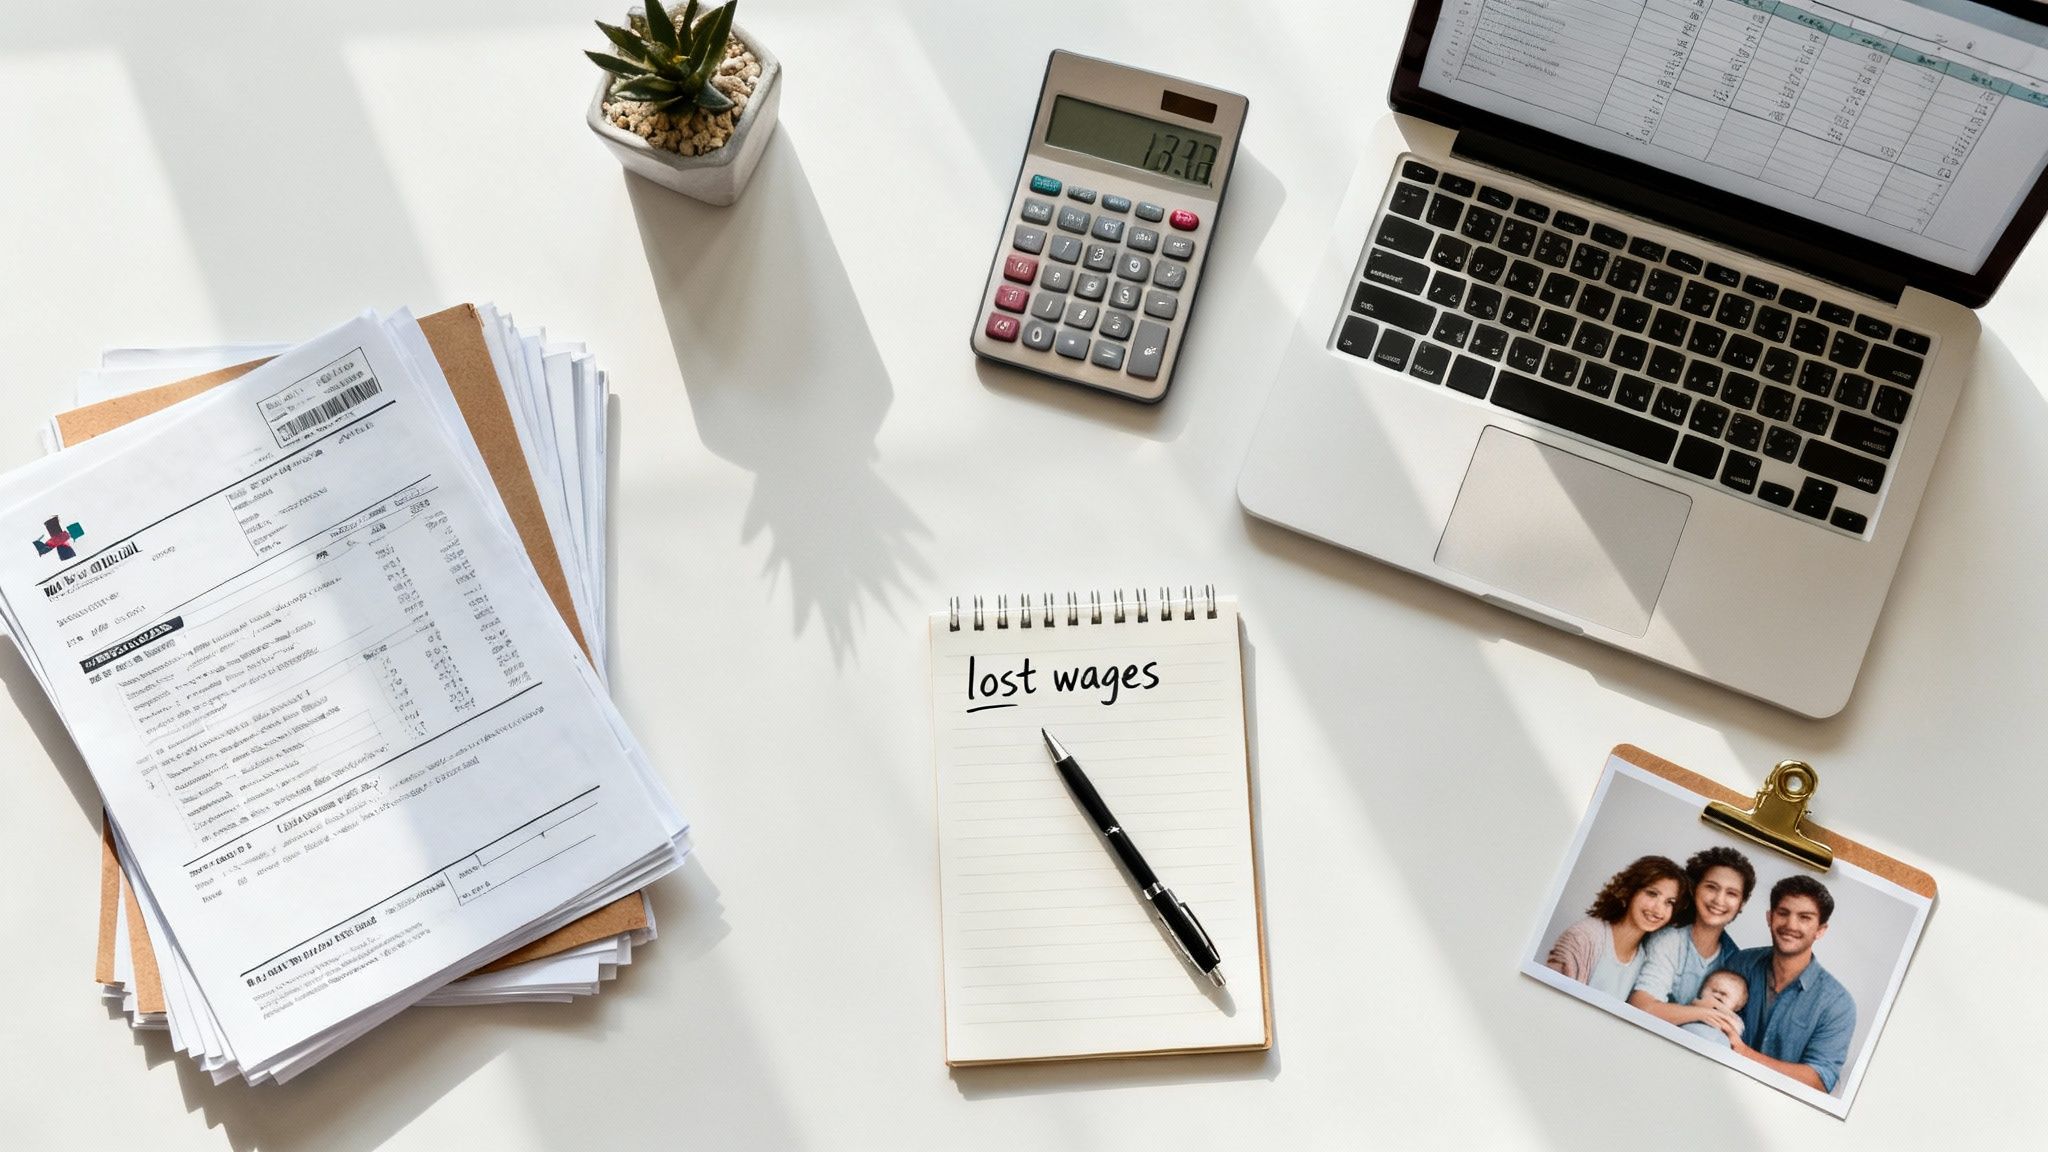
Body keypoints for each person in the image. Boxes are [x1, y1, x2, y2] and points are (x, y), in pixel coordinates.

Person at [1719, 875, 1858, 1093]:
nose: (1790, 925)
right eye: (1783, 913)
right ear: (1769, 917)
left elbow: (1819, 1080)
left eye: (1804, 917)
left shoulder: (1838, 1004)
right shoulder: (1740, 964)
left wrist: (1745, 1054)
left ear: (1821, 930)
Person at [1627, 846, 1756, 1032]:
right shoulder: (1669, 940)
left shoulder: (1735, 961)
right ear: (1695, 889)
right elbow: (1642, 1006)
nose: (1719, 900)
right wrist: (1702, 1013)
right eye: (1711, 887)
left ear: (1741, 904)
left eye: (1731, 893)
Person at [1545, 855, 1687, 1000]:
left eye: (1669, 902)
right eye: (1652, 894)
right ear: (1630, 891)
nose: (1658, 910)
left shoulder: (1645, 959)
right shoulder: (1581, 938)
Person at [1677, 970, 1749, 1048]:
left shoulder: (1734, 1020)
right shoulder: (1694, 1005)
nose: (1717, 995)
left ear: (1738, 1006)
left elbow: (1737, 1030)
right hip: (1684, 1039)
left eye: (1725, 994)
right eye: (1713, 990)